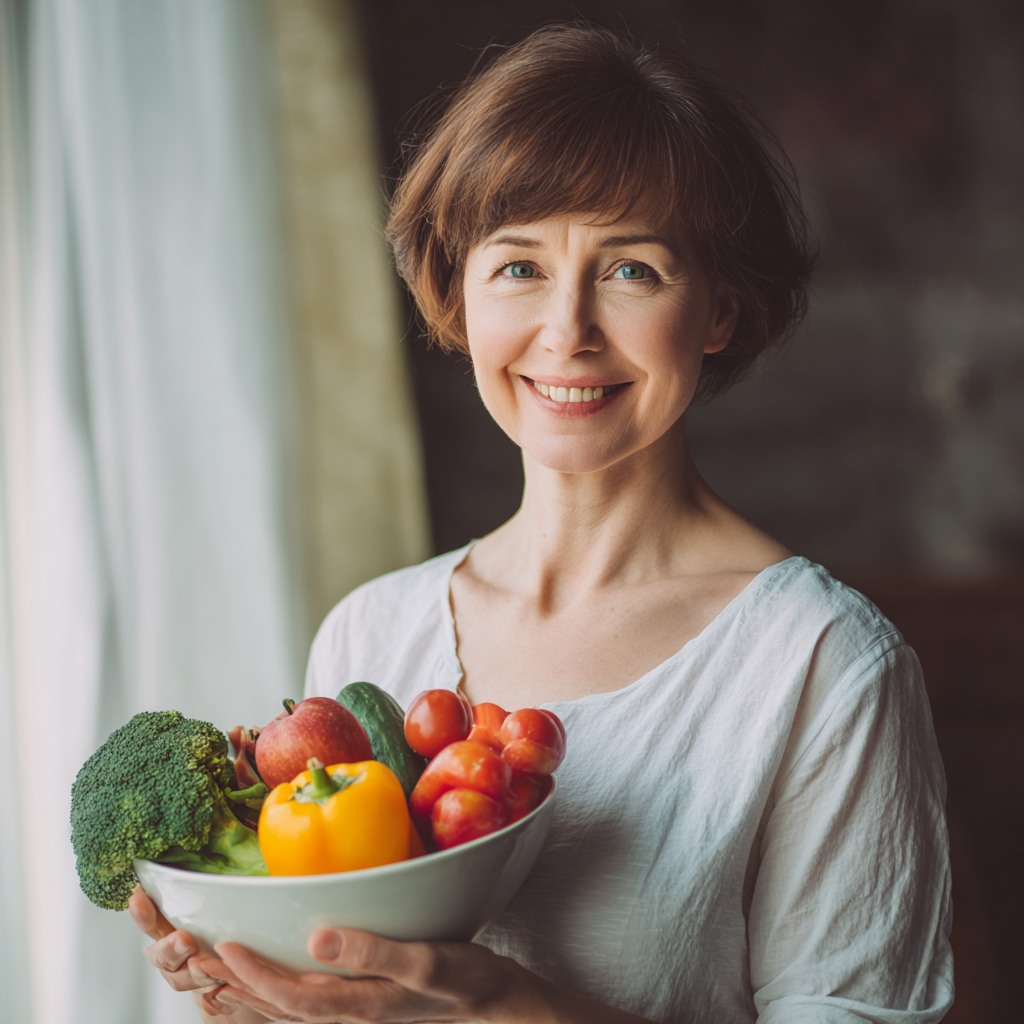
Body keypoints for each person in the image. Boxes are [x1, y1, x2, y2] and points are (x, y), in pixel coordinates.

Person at [130, 24, 954, 1024]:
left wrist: (505, 1011)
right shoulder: (369, 634)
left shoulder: (821, 662)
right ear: (460, 290)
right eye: (517, 267)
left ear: (723, 311)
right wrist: (262, 990)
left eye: (632, 270)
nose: (566, 329)